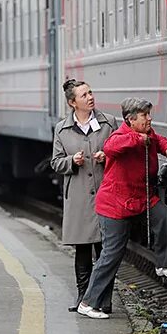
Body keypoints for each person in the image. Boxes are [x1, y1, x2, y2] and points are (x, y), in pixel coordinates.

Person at [77, 98, 167, 320]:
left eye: (148, 114)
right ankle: (88, 302)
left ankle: (166, 264)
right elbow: (111, 147)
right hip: (115, 205)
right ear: (130, 120)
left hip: (141, 199)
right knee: (112, 254)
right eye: (145, 116)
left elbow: (159, 140)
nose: (150, 119)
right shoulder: (120, 136)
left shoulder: (148, 134)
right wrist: (137, 139)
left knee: (163, 216)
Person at [51, 79, 117, 312]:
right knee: (82, 248)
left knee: (105, 250)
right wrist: (72, 161)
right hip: (78, 195)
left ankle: (103, 300)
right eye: (84, 95)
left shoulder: (108, 122)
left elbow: (120, 153)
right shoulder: (62, 128)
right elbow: (56, 162)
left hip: (105, 192)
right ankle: (83, 296)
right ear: (72, 102)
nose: (90, 97)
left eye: (90, 92)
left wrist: (106, 158)